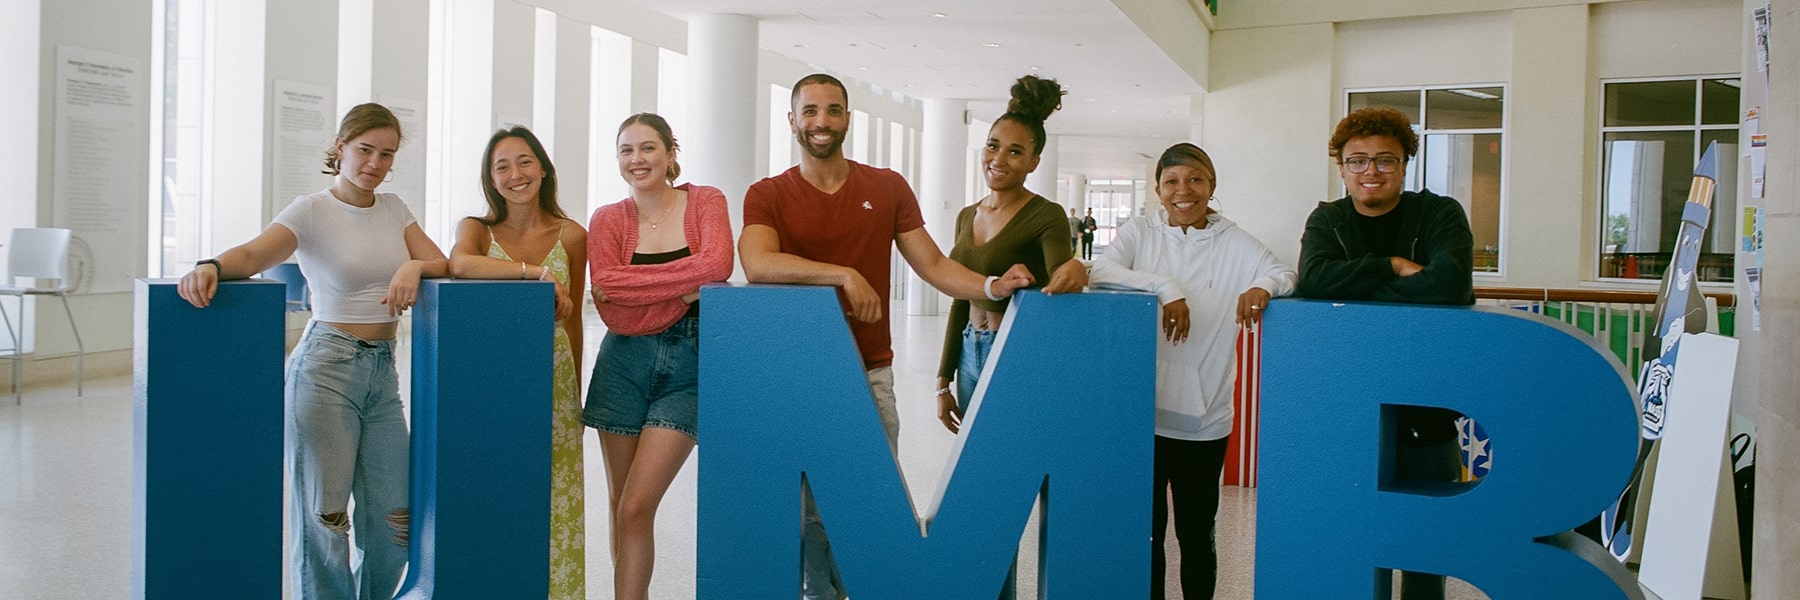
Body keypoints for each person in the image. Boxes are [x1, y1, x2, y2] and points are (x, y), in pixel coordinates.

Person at [739, 73, 1035, 600]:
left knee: (868, 501)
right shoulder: (768, 194)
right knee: (807, 506)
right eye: (810, 111)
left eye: (833, 110)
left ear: (848, 119)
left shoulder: (887, 186)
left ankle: (865, 586)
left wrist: (990, 284)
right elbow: (758, 263)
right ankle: (821, 592)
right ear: (792, 121)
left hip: (869, 370)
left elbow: (935, 265)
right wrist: (844, 274)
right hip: (795, 374)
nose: (821, 121)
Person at [177, 103, 449, 600]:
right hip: (326, 368)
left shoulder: (394, 209)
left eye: (386, 154)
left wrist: (413, 269)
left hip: (382, 374)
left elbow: (438, 261)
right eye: (365, 150)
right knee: (324, 517)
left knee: (395, 516)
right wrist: (212, 264)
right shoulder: (311, 209)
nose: (375, 163)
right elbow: (257, 254)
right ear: (340, 147)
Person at [1088, 143, 1296, 600]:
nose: (1184, 191)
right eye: (1172, 182)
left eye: (1195, 180)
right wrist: (1165, 286)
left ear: (1212, 185)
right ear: (1158, 190)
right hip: (1142, 416)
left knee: (1197, 536)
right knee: (1146, 535)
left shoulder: (1235, 242)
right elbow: (1100, 270)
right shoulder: (1140, 232)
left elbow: (1283, 272)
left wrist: (1261, 285)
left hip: (1203, 422)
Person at [1296, 106, 1475, 600]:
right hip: (1351, 404)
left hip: (1427, 405)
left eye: (1385, 160)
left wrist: (1359, 289)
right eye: (1358, 161)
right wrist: (1393, 265)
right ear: (1341, 167)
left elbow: (1451, 285)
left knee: (1423, 548)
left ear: (1404, 165)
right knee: (1355, 543)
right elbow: (1313, 278)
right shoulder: (1328, 219)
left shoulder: (1439, 213)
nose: (1370, 171)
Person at [932, 74, 1088, 600]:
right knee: (978, 486)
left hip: (1016, 356)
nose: (1000, 158)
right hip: (972, 355)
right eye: (994, 146)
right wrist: (941, 377)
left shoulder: (1046, 215)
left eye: (1016, 151)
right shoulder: (966, 215)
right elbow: (960, 293)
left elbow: (1060, 273)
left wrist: (1072, 271)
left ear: (1034, 162)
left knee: (1003, 484)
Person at [585, 113, 733, 600]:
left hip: (690, 366)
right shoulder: (609, 219)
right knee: (619, 502)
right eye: (626, 150)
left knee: (636, 505)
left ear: (671, 153)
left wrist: (639, 293)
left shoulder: (706, 201)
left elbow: (719, 265)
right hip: (622, 364)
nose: (637, 160)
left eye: (648, 148)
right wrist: (687, 292)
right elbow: (608, 296)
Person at [446, 126, 587, 599]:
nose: (515, 174)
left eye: (525, 162)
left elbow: (575, 323)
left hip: (555, 381)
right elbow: (460, 265)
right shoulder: (476, 231)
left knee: (557, 500)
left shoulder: (572, 235)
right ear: (490, 179)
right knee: (501, 493)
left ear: (543, 168)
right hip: (494, 386)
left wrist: (577, 397)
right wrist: (536, 274)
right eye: (502, 166)